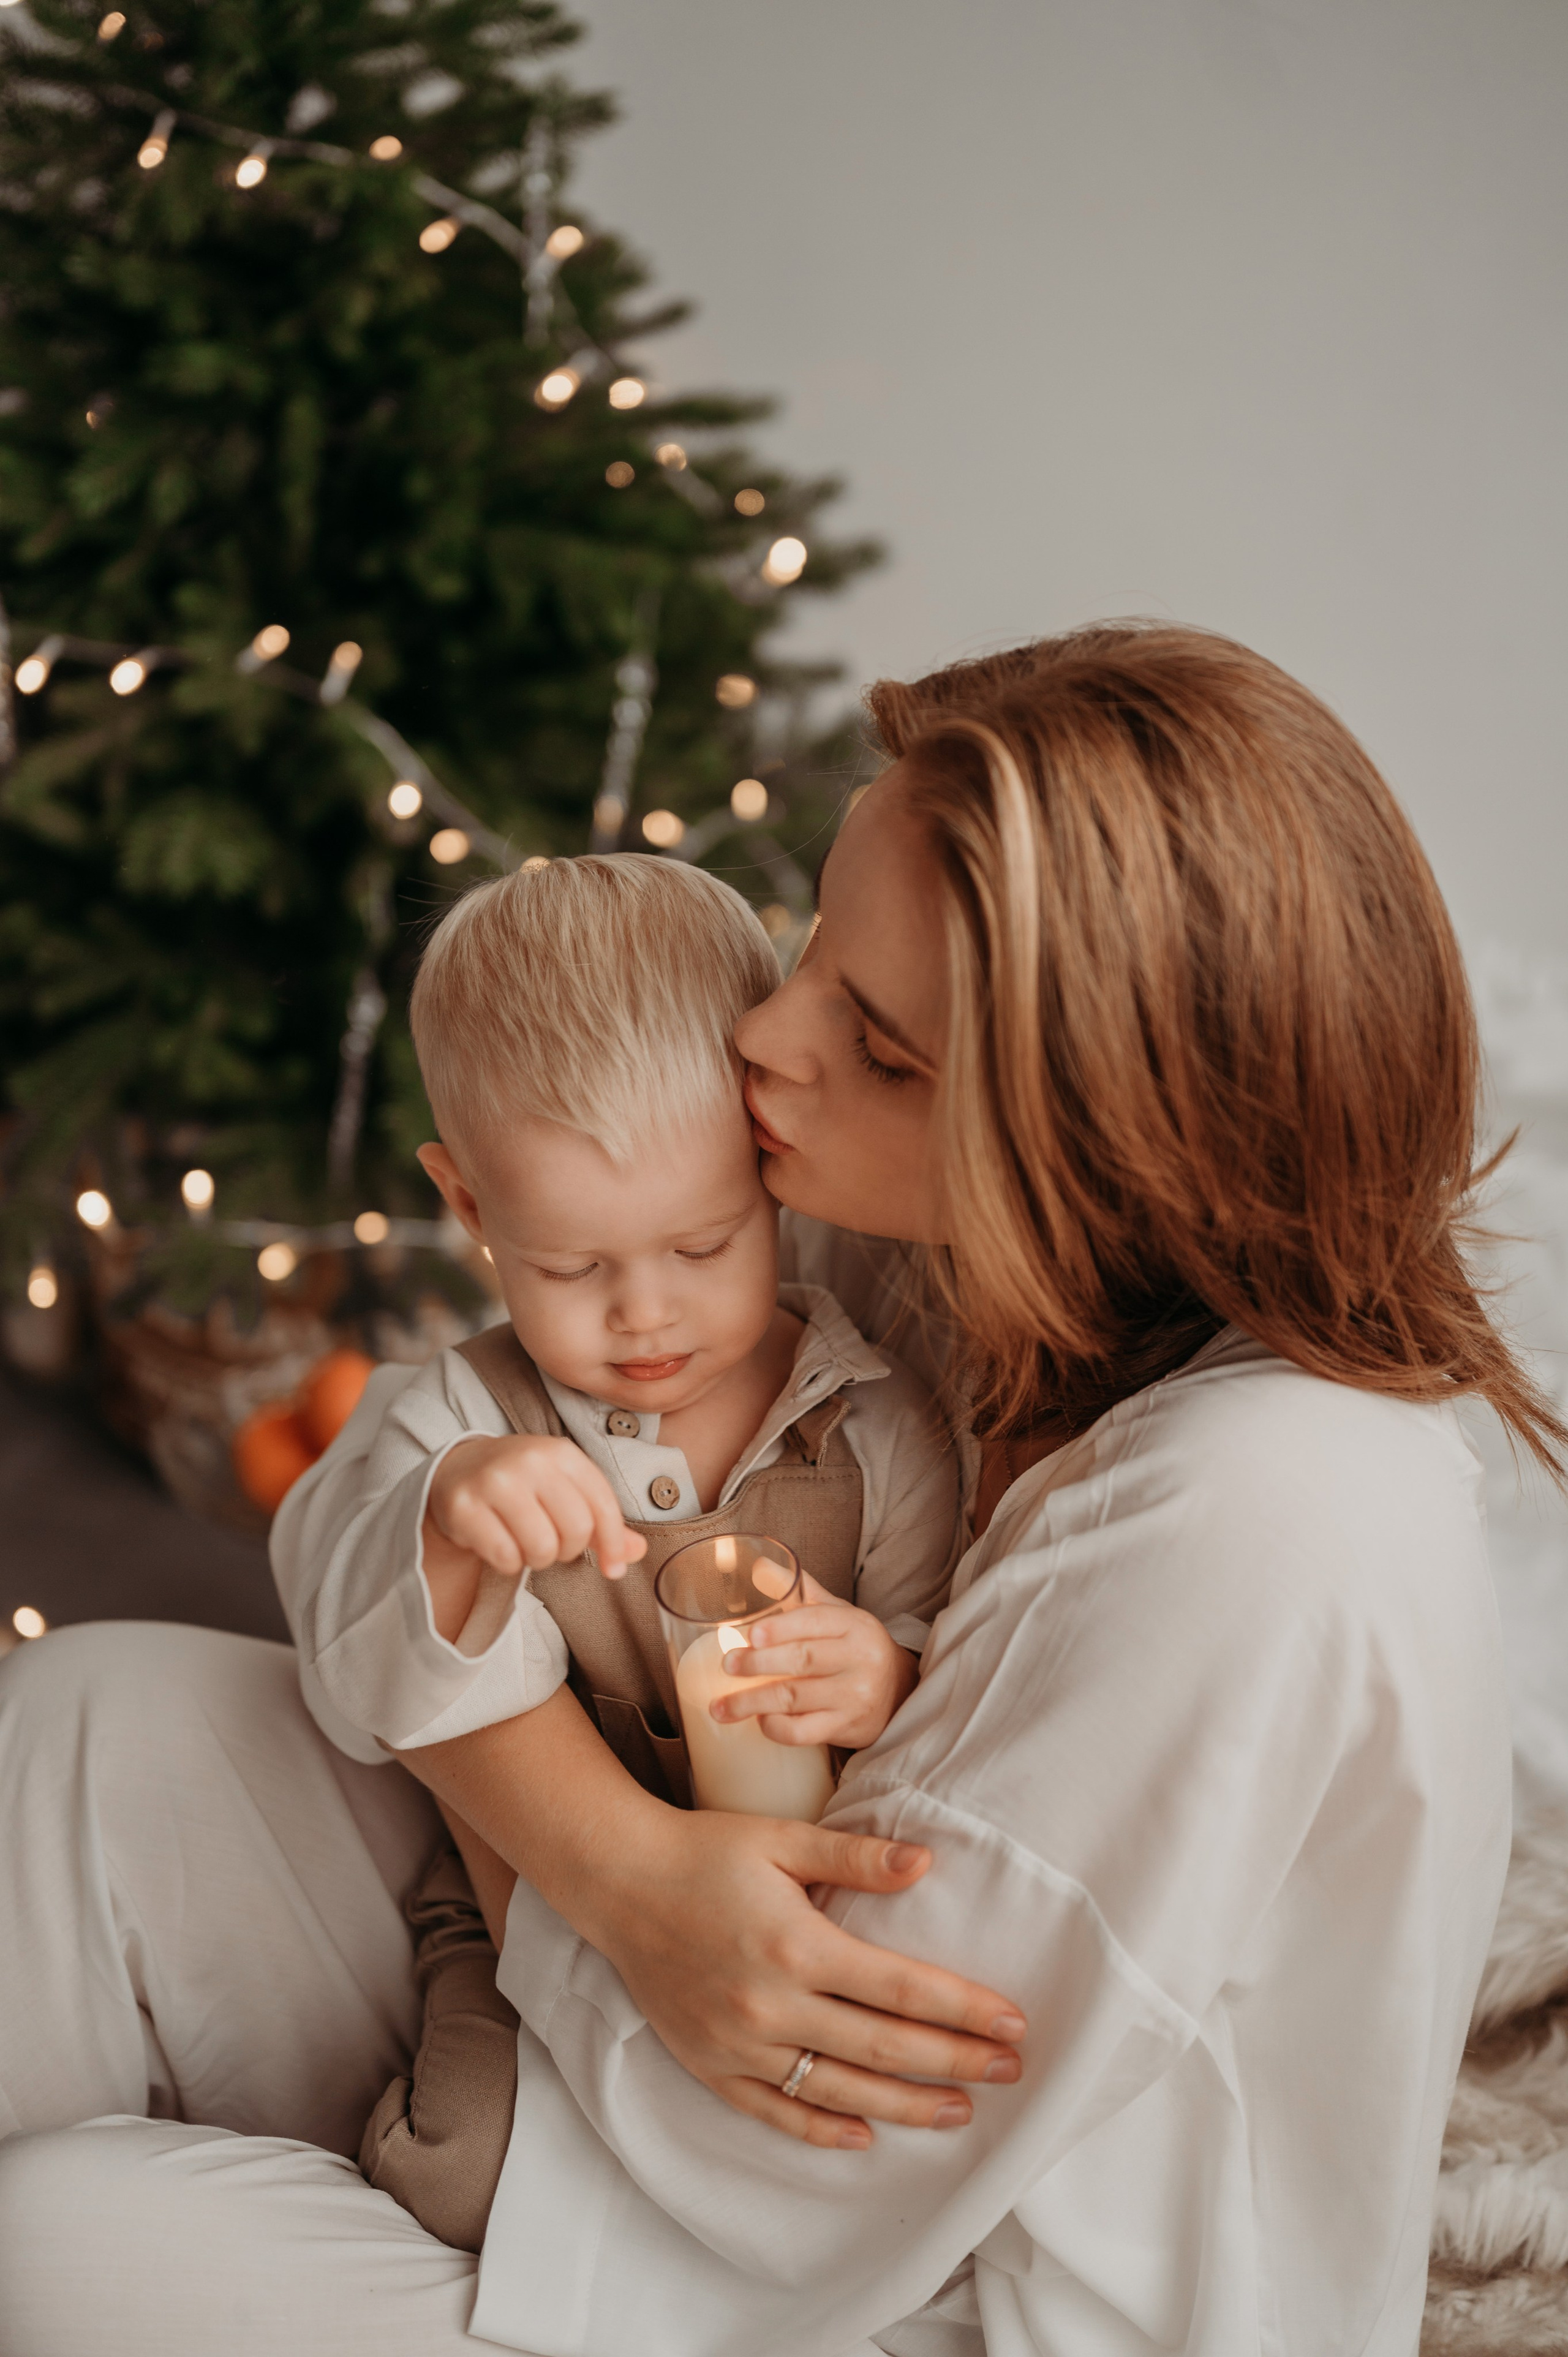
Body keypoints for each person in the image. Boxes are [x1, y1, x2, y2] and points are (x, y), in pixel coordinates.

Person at [0, 622, 1548, 2357]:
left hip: (904, 2292)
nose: (766, 1052)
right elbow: (397, 1494)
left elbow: (805, 2135)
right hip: (603, 2031)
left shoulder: (1270, 1522)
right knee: (81, 1717)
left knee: (51, 2253)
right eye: (814, 945)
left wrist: (573, 1875)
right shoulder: (922, 1233)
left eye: (877, 1047)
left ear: (1102, 1146)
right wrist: (615, 1857)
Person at [281, 851, 961, 2245]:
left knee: (825, 2174)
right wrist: (449, 1522)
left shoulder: (874, 1420)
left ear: (769, 1171)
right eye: (572, 1268)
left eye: (705, 1245)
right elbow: (347, 1649)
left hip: (795, 1904)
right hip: (536, 1907)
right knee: (456, 2168)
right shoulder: (461, 1420)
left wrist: (885, 1668)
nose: (645, 1318)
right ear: (468, 1209)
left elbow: (951, 1651)